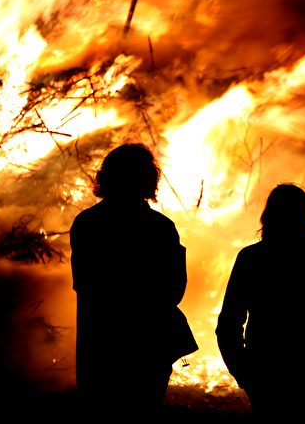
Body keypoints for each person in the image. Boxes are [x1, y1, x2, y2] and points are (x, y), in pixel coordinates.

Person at [70, 143, 197, 410]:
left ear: (107, 177)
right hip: (148, 351)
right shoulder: (161, 228)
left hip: (99, 349)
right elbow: (174, 289)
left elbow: (83, 283)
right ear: (148, 179)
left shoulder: (86, 223)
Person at [216, 184, 305, 420]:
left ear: (268, 217)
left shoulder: (252, 259)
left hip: (267, 370)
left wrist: (243, 372)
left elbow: (229, 325)